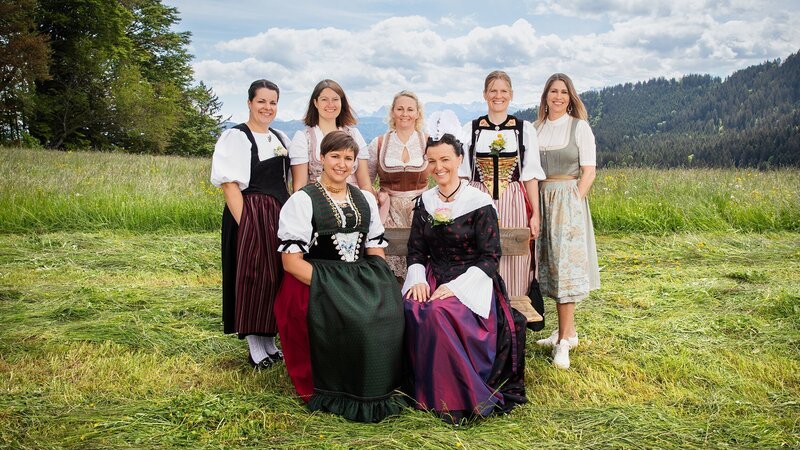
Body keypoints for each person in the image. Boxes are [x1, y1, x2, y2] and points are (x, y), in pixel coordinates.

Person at [403, 111, 527, 424]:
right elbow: (416, 249)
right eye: (431, 161)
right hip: (432, 276)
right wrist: (418, 278)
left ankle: (453, 396)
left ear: (460, 158)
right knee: (413, 307)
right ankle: (423, 390)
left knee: (438, 313)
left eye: (444, 159)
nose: (438, 168)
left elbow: (489, 256)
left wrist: (456, 287)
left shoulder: (479, 202)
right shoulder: (425, 202)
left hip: (473, 280)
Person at [274, 130, 407, 423]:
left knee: (387, 312)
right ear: (321, 158)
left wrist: (380, 284)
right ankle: (338, 388)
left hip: (358, 275)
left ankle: (380, 384)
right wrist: (332, 286)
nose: (342, 164)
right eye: (335, 156)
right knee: (355, 318)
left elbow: (374, 250)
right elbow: (291, 263)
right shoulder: (302, 200)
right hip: (315, 276)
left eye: (348, 158)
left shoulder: (364, 199)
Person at [210, 79, 290, 369]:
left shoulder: (280, 137)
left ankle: (269, 342)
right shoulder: (236, 137)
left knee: (275, 277)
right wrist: (249, 226)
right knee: (254, 276)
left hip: (278, 215)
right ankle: (255, 347)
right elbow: (230, 186)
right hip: (250, 213)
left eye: (272, 102)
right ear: (249, 102)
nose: (267, 107)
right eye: (261, 101)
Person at [460, 71, 546, 325]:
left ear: (511, 95)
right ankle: (481, 319)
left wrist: (535, 214)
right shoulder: (472, 129)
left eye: (503, 91)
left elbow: (530, 175)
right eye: (493, 91)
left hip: (513, 199)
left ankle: (514, 320)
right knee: (478, 252)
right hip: (477, 199)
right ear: (485, 94)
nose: (498, 96)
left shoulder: (523, 129)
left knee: (515, 254)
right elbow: (463, 175)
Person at [533, 73, 601, 369]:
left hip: (566, 200)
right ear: (545, 96)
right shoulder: (535, 128)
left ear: (570, 97)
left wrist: (574, 202)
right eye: (553, 91)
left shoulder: (579, 127)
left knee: (565, 268)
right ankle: (566, 332)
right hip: (538, 198)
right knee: (544, 265)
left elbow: (589, 171)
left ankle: (563, 344)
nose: (558, 96)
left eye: (563, 92)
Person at [366, 90, 431, 278]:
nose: (405, 114)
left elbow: (443, 174)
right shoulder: (378, 144)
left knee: (420, 264)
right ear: (392, 112)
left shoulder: (427, 142)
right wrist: (378, 196)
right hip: (389, 212)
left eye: (410, 109)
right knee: (391, 266)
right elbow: (366, 181)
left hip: (420, 212)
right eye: (400, 109)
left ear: (417, 113)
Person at [288, 79, 373, 193]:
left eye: (335, 99)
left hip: (353, 202)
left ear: (341, 102)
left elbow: (365, 184)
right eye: (324, 99)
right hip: (319, 203)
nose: (330, 104)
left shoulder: (354, 135)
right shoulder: (304, 138)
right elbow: (299, 187)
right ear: (315, 103)